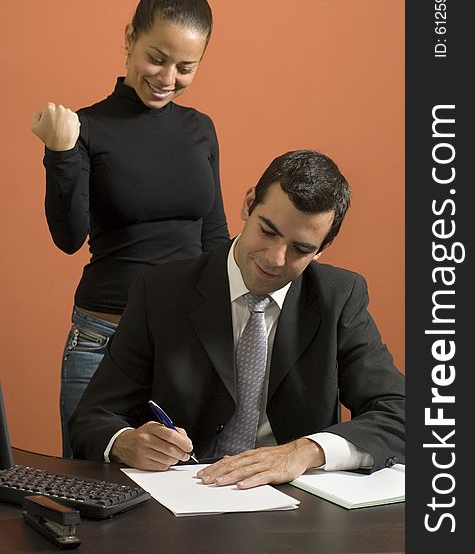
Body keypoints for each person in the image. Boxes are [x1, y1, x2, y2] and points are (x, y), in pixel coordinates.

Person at [69, 149, 405, 488]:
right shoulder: (160, 290)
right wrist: (125, 442)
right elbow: (92, 418)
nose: (275, 258)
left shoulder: (338, 296)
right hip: (186, 494)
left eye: (300, 249)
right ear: (248, 205)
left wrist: (308, 450)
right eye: (267, 231)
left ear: (322, 248)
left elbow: (400, 411)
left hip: (297, 509)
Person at [30, 0, 229, 457]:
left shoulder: (200, 131)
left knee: (184, 500)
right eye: (156, 58)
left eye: (185, 67)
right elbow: (68, 236)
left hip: (183, 345)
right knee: (90, 493)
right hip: (103, 338)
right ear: (129, 40)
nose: (166, 79)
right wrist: (59, 153)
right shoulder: (86, 127)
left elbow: (215, 238)